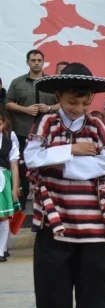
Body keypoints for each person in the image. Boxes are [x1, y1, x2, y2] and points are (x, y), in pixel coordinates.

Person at [23, 63, 105, 308]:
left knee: (95, 280)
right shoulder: (45, 125)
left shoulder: (100, 127)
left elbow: (102, 166)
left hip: (93, 220)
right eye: (71, 102)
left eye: (84, 103)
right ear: (59, 96)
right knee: (52, 281)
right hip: (56, 218)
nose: (78, 108)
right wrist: (73, 151)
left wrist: (56, 163)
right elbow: (31, 159)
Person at [3, 49, 60, 210]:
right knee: (22, 170)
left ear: (43, 62)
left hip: (48, 134)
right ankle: (19, 209)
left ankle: (49, 207)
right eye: (33, 60)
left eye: (39, 60)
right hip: (23, 133)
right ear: (27, 62)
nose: (36, 63)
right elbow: (8, 103)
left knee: (48, 169)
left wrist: (49, 107)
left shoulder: (51, 82)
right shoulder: (17, 82)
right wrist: (25, 109)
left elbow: (62, 104)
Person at [0, 109, 21, 262]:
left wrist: (15, 188)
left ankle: (1, 250)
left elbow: (14, 166)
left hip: (3, 179)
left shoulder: (9, 141)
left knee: (4, 217)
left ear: (4, 123)